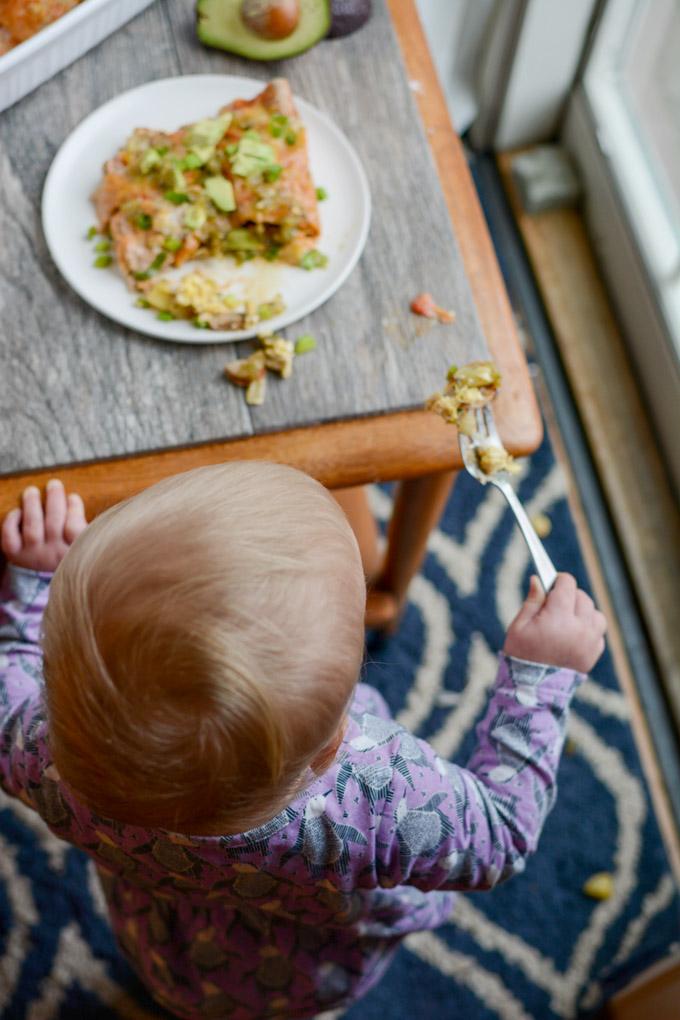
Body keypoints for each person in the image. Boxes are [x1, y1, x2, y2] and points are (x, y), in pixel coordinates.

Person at [0, 465, 606, 1019]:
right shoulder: (379, 797)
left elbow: (10, 683)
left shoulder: (46, 757)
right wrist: (538, 678)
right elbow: (502, 831)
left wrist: (33, 586)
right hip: (308, 972)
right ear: (330, 748)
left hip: (171, 951)